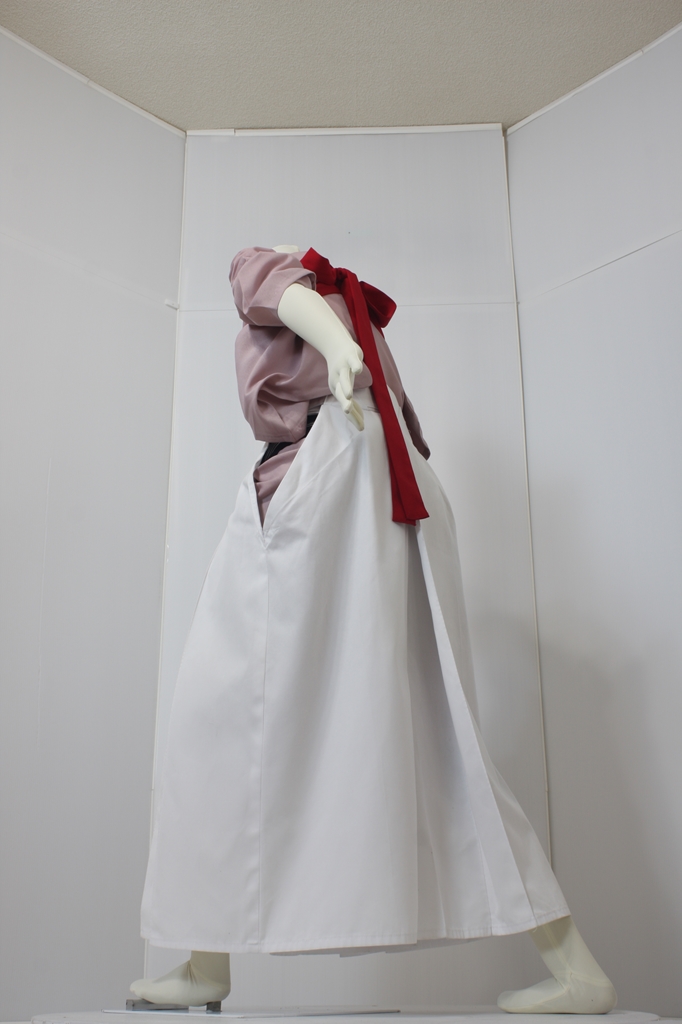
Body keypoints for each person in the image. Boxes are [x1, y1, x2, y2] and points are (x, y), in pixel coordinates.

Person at [131, 246, 616, 1015]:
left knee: (222, 718)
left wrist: (335, 347)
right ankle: (575, 967)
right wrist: (344, 346)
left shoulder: (273, 271)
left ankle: (205, 961)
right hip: (391, 488)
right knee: (439, 735)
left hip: (332, 484)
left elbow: (281, 293)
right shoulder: (353, 308)